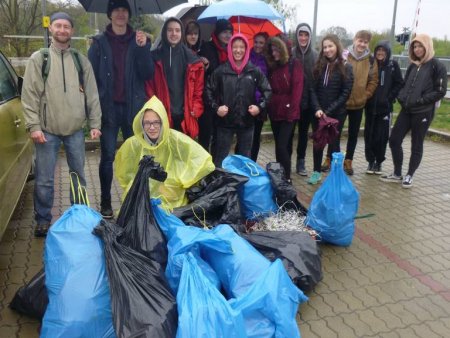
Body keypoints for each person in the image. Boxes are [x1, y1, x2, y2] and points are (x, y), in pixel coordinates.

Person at [22, 12, 102, 237]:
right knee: (45, 179)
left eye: (67, 26)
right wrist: (34, 126)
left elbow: (92, 94)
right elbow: (29, 95)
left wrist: (95, 122)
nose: (62, 30)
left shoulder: (80, 60)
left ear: (72, 31)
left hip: (76, 130)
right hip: (47, 131)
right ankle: (43, 219)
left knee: (78, 175)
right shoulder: (40, 58)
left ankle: (78, 214)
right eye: (58, 26)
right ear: (51, 29)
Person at [88, 0, 154, 219]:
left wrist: (144, 48)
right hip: (108, 109)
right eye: (116, 10)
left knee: (136, 157)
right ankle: (106, 202)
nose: (120, 14)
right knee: (107, 157)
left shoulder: (139, 40)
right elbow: (90, 78)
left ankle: (134, 200)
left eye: (124, 10)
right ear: (109, 14)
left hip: (132, 109)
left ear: (129, 14)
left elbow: (147, 73)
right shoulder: (98, 43)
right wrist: (93, 112)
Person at [114, 96, 215, 210]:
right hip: (143, 192)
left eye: (156, 122)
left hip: (169, 192)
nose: (152, 127)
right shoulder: (133, 144)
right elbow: (124, 171)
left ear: (163, 122)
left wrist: (182, 179)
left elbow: (202, 159)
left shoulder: (175, 139)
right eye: (147, 123)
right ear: (141, 123)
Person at [381, 34, 447, 188]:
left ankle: (409, 175)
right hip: (406, 110)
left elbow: (440, 91)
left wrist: (421, 100)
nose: (417, 50)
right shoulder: (413, 65)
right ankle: (397, 173)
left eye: (420, 46)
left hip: (423, 112)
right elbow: (405, 84)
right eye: (415, 47)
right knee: (394, 140)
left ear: (427, 47)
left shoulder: (437, 66)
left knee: (416, 144)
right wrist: (401, 97)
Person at [205, 33, 272, 167]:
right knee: (220, 158)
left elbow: (268, 90)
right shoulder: (221, 70)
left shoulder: (254, 71)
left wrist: (259, 107)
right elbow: (208, 90)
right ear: (230, 48)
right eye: (235, 47)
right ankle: (220, 184)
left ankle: (243, 185)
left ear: (246, 49)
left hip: (247, 122)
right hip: (225, 123)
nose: (238, 50)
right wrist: (216, 108)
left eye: (242, 47)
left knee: (244, 160)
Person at [322, 30, 378, 175]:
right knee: (335, 132)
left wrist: (366, 95)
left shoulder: (371, 60)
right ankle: (329, 158)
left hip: (359, 104)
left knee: (353, 134)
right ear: (354, 40)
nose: (362, 44)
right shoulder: (344, 56)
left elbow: (373, 80)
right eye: (360, 40)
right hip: (342, 103)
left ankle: (348, 161)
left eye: (365, 42)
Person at [145, 17, 204, 138]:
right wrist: (154, 109)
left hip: (185, 116)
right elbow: (149, 87)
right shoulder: (154, 57)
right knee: (163, 154)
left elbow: (198, 90)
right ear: (164, 32)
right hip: (162, 114)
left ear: (181, 33)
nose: (174, 33)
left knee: (182, 154)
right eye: (170, 30)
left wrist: (195, 108)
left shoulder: (193, 60)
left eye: (177, 30)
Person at [308, 34, 354, 185]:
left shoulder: (346, 67)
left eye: (330, 46)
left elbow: (345, 93)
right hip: (318, 113)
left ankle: (335, 176)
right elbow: (312, 89)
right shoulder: (318, 66)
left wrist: (328, 111)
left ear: (337, 46)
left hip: (336, 115)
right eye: (325, 47)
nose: (327, 50)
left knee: (334, 145)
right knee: (318, 144)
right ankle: (316, 172)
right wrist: (317, 109)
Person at [265, 36, 303, 181]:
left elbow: (297, 90)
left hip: (289, 112)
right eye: (272, 50)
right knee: (280, 146)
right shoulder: (273, 66)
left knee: (282, 145)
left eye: (276, 49)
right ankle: (279, 174)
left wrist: (291, 112)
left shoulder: (295, 64)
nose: (274, 53)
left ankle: (287, 178)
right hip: (275, 111)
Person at [364, 41, 404, 175]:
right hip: (370, 107)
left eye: (383, 51)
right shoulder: (371, 65)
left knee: (381, 137)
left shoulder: (393, 66)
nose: (380, 53)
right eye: (378, 51)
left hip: (385, 109)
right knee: (369, 135)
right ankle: (370, 161)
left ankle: (379, 162)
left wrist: (389, 98)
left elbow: (399, 83)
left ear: (387, 52)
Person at [198, 19, 234, 153]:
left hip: (224, 100)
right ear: (217, 33)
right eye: (225, 32)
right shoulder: (206, 47)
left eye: (230, 32)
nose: (228, 35)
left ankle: (215, 167)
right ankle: (203, 168)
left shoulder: (232, 50)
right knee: (205, 136)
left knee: (219, 138)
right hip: (208, 99)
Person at [292, 23, 319, 176]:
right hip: (292, 101)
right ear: (297, 35)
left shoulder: (315, 55)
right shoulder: (290, 53)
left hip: (308, 103)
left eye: (306, 35)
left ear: (309, 37)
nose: (303, 38)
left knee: (303, 133)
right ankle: (284, 162)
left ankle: (301, 161)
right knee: (288, 134)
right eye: (300, 34)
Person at [249, 32, 269, 161]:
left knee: (256, 137)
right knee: (244, 136)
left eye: (261, 43)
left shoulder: (267, 60)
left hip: (260, 103)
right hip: (246, 100)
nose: (258, 45)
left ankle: (253, 163)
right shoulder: (247, 55)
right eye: (256, 42)